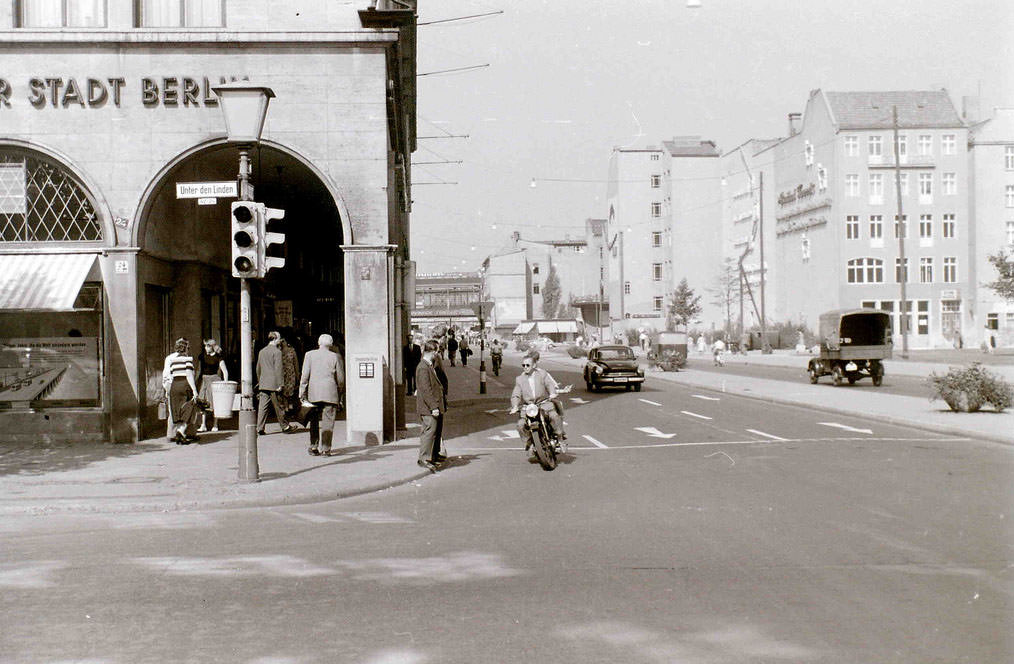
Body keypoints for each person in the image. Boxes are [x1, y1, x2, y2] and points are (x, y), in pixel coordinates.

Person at [510, 351, 566, 458]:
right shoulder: (520, 379)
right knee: (520, 425)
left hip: (543, 403)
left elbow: (549, 384)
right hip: (529, 407)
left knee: (554, 416)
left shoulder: (542, 374)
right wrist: (515, 406)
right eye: (523, 365)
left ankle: (560, 438)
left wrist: (552, 393)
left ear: (534, 365)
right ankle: (529, 443)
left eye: (527, 365)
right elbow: (516, 394)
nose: (525, 367)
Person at [299, 333, 345, 457]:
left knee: (313, 420)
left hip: (314, 392)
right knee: (328, 421)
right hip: (330, 392)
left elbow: (304, 376)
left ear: (319, 343)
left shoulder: (309, 355)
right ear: (330, 344)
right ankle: (326, 449)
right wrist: (340, 392)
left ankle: (313, 446)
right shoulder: (335, 357)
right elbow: (340, 378)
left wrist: (302, 391)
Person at [415, 339, 447, 473]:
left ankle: (432, 456)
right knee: (429, 432)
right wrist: (433, 407)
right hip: (428, 408)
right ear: (432, 352)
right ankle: (424, 459)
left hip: (433, 406)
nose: (438, 354)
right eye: (437, 351)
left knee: (434, 432)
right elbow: (426, 390)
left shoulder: (428, 365)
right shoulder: (423, 367)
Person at [256, 330, 296, 435]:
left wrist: (260, 380)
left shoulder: (262, 351)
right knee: (279, 406)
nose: (280, 340)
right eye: (279, 338)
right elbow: (278, 369)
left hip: (264, 383)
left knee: (262, 407)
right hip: (274, 384)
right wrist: (280, 384)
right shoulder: (277, 352)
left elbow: (258, 369)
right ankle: (285, 426)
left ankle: (260, 428)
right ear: (274, 339)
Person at [162, 337, 199, 445]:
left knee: (176, 411)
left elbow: (169, 375)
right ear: (186, 348)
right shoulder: (188, 360)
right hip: (184, 386)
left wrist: (167, 388)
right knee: (189, 409)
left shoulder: (172, 361)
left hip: (174, 386)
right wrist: (195, 390)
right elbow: (189, 375)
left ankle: (179, 435)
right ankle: (180, 432)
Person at [196, 338, 228, 432]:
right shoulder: (202, 356)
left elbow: (224, 371)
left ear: (212, 346)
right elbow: (198, 370)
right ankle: (203, 425)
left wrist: (225, 383)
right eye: (205, 346)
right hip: (204, 380)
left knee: (215, 403)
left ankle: (215, 424)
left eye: (208, 346)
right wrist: (195, 381)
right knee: (203, 403)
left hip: (214, 380)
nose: (206, 348)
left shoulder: (218, 357)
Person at [279, 334, 300, 423]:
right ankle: (287, 410)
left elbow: (296, 364)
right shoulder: (278, 351)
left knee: (290, 393)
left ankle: (290, 409)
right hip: (282, 374)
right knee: (284, 393)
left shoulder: (291, 351)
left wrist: (297, 374)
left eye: (283, 341)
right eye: (281, 341)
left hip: (290, 374)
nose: (282, 342)